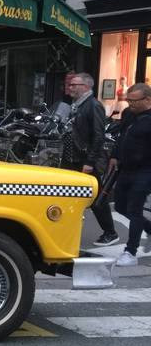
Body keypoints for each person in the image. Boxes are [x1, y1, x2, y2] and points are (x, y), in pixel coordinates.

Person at [63, 73, 119, 247]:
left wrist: (89, 161)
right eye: (70, 84)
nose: (70, 87)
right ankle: (67, 232)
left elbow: (98, 136)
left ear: (85, 86)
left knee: (95, 197)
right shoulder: (78, 105)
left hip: (86, 160)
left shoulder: (93, 105)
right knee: (70, 196)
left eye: (74, 84)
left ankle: (110, 232)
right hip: (73, 158)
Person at [109, 83, 151, 266]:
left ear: (147, 100)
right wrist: (114, 156)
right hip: (125, 169)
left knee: (134, 210)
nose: (130, 104)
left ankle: (130, 252)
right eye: (128, 100)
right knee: (120, 206)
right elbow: (121, 136)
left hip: (146, 171)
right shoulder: (128, 115)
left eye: (134, 101)